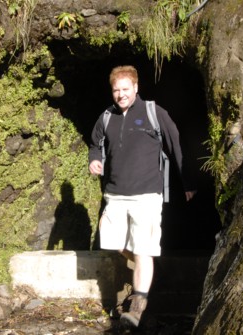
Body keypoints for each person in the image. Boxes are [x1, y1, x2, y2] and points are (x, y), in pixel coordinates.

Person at [88, 65, 196, 328]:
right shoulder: (106, 117)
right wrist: (94, 160)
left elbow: (175, 145)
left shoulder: (152, 113)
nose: (121, 95)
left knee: (144, 249)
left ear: (136, 88)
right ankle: (146, 275)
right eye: (116, 90)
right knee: (115, 244)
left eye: (126, 89)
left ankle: (138, 305)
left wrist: (188, 181)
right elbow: (95, 143)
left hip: (147, 194)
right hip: (114, 194)